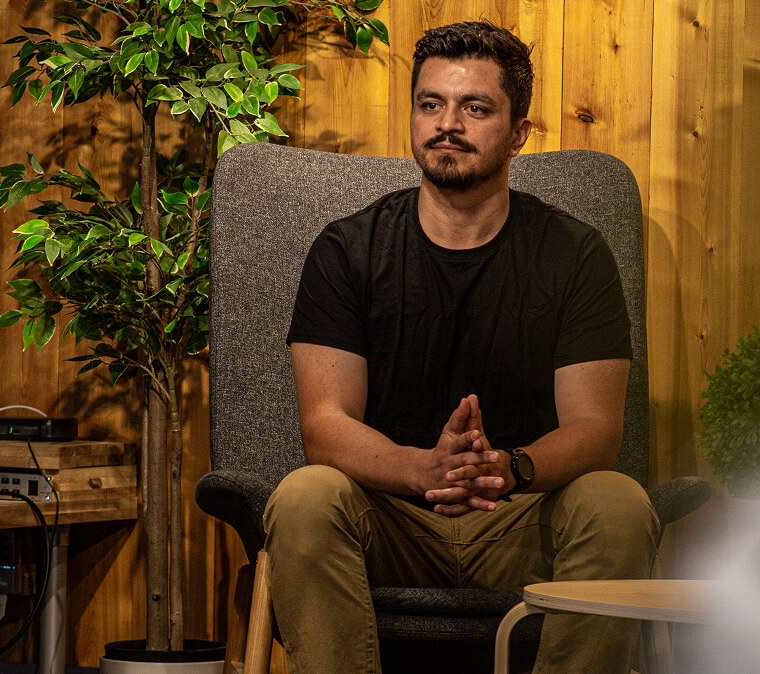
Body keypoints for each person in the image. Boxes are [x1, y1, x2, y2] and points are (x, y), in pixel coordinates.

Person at [264, 21, 660, 673]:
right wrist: (421, 469)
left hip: (523, 517)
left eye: (475, 107)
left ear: (519, 132)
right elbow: (325, 428)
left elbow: (596, 431)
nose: (448, 123)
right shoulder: (348, 250)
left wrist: (508, 467)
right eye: (431, 104)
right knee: (306, 495)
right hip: (391, 519)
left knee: (617, 502)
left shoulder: (575, 253)